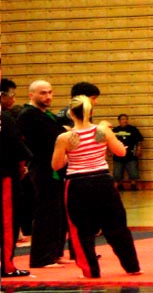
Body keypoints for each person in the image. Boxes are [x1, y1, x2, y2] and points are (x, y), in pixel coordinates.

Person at [52, 95, 141, 278]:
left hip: (78, 183)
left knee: (81, 230)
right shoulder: (101, 132)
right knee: (116, 225)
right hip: (102, 181)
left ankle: (91, 271)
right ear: (90, 112)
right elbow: (121, 152)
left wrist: (69, 153)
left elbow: (56, 165)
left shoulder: (65, 137)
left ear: (70, 113)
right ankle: (132, 266)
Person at [16, 80, 71, 268]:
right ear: (31, 95)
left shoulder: (46, 115)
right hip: (42, 168)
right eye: (43, 93)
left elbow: (59, 133)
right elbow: (54, 137)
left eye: (50, 92)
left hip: (54, 167)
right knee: (45, 212)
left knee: (56, 212)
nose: (48, 96)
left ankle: (54, 253)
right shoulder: (29, 115)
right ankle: (41, 258)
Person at [1, 79, 32, 277]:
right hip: (5, 175)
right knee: (7, 222)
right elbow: (16, 146)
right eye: (11, 95)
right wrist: (23, 164)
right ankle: (7, 266)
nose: (13, 100)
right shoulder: (5, 118)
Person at [112, 114, 144, 191]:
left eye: (126, 119)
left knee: (133, 171)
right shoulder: (115, 130)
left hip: (131, 154)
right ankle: (119, 185)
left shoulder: (133, 129)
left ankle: (133, 185)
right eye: (123, 119)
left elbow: (139, 140)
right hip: (118, 154)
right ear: (119, 121)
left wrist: (139, 149)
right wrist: (109, 151)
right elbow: (110, 141)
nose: (125, 121)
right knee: (117, 172)